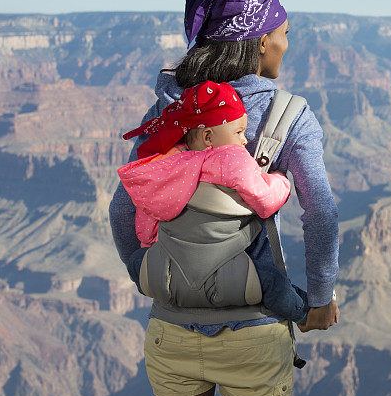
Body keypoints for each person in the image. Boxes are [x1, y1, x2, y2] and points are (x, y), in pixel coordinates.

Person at [108, 0, 340, 396]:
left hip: (172, 329)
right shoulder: (289, 114)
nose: (286, 46)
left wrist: (144, 270)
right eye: (283, 35)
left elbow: (123, 207)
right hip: (252, 331)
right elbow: (320, 212)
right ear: (258, 41)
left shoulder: (171, 110)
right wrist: (319, 296)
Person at [118, 80, 310, 325]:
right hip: (226, 274)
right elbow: (265, 199)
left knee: (136, 263)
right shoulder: (231, 159)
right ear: (209, 136)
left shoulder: (166, 165)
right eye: (239, 132)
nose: (244, 141)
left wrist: (153, 248)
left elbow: (146, 223)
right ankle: (304, 314)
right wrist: (281, 180)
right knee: (273, 282)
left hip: (169, 274)